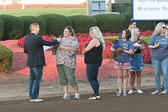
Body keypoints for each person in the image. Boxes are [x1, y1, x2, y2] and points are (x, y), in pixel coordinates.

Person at [24, 23, 59, 102]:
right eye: (38, 27)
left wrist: (35, 50)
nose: (39, 29)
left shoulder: (26, 38)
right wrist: (57, 40)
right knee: (37, 79)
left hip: (31, 61)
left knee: (32, 79)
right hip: (38, 62)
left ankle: (31, 96)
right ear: (35, 28)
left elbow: (26, 51)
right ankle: (34, 97)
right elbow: (48, 43)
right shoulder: (38, 38)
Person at [54, 26, 80, 100]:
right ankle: (66, 94)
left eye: (66, 32)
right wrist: (55, 44)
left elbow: (73, 50)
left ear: (70, 33)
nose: (64, 33)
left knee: (71, 78)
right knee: (62, 78)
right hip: (59, 61)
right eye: (64, 31)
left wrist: (63, 48)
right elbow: (54, 51)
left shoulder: (74, 40)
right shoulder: (61, 39)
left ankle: (76, 93)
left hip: (69, 62)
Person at [82, 26, 106, 100]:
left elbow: (86, 49)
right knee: (94, 78)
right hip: (95, 62)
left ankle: (96, 94)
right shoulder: (97, 40)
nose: (89, 33)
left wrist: (84, 51)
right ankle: (96, 93)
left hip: (92, 62)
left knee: (91, 78)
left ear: (94, 32)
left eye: (90, 31)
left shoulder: (95, 40)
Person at [148, 22, 168, 95]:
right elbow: (149, 45)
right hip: (155, 57)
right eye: (163, 27)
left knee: (165, 73)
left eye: (165, 27)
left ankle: (166, 89)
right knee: (157, 73)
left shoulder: (167, 36)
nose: (165, 29)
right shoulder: (154, 36)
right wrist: (154, 47)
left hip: (165, 57)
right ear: (159, 28)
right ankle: (158, 89)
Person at [113, 29, 134, 96]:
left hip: (126, 60)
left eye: (124, 33)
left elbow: (131, 52)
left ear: (127, 34)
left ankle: (124, 90)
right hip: (118, 60)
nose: (123, 35)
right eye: (122, 33)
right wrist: (116, 49)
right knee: (119, 76)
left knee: (125, 76)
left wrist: (123, 50)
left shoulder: (130, 42)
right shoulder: (118, 41)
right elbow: (112, 48)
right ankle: (119, 90)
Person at [128, 27, 144, 94]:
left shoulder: (140, 39)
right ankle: (131, 89)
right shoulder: (129, 40)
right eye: (137, 31)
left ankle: (138, 88)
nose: (139, 32)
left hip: (138, 56)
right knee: (131, 73)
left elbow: (143, 47)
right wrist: (134, 46)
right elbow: (127, 47)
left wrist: (140, 46)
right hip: (131, 57)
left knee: (138, 73)